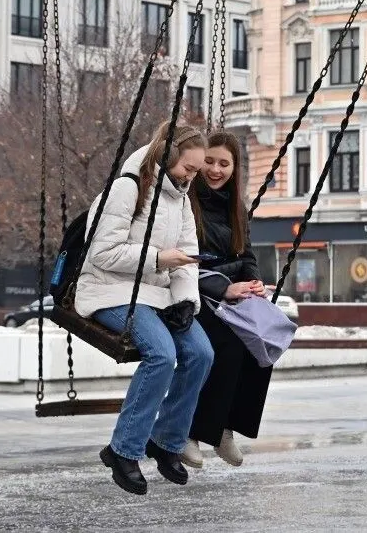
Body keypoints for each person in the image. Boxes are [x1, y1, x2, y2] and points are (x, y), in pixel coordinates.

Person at [74, 121, 215, 495]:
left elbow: (186, 258)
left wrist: (186, 300)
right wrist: (157, 259)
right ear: (168, 157)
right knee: (161, 354)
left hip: (156, 293)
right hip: (109, 290)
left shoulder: (181, 198)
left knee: (201, 353)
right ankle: (123, 450)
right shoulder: (128, 188)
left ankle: (166, 441)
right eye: (188, 168)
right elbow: (101, 252)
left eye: (197, 171)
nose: (192, 177)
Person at [183, 130, 270, 469]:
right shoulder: (186, 202)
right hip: (192, 294)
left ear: (235, 169)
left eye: (224, 163)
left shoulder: (236, 207)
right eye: (209, 162)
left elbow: (246, 252)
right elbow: (188, 260)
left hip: (228, 293)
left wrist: (253, 281)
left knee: (261, 343)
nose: (216, 170)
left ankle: (225, 429)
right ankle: (192, 430)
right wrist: (224, 287)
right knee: (229, 343)